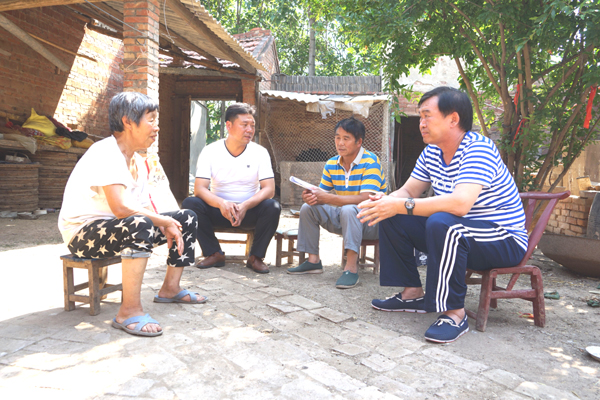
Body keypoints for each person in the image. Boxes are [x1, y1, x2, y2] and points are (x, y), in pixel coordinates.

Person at [357, 87, 527, 343]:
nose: (421, 124)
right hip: (460, 231)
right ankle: (412, 293)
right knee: (391, 214)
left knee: (443, 221)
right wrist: (384, 202)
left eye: (427, 116)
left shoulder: (478, 148)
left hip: (502, 238)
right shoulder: (432, 152)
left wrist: (401, 204)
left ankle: (454, 314)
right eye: (420, 117)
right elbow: (408, 190)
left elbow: (460, 204)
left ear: (453, 119)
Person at [58, 92, 206, 338]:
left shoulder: (137, 161)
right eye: (151, 120)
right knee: (140, 223)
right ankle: (128, 311)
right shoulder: (105, 152)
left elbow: (141, 207)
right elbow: (121, 209)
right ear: (128, 121)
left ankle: (170, 288)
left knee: (186, 217)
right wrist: (161, 221)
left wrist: (168, 221)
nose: (156, 127)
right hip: (83, 234)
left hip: (114, 228)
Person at [286, 117, 387, 289]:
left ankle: (351, 268)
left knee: (349, 209)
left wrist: (330, 199)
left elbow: (366, 198)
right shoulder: (332, 163)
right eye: (337, 137)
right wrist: (311, 197)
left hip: (372, 221)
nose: (340, 143)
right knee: (308, 208)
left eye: (346, 138)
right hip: (345, 218)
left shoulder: (371, 161)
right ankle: (313, 261)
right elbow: (322, 194)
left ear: (359, 142)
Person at [182, 103, 281, 274]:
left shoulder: (260, 152)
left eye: (252, 125)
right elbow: (199, 189)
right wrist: (222, 204)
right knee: (190, 203)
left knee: (272, 206)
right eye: (244, 125)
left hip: (249, 212)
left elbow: (269, 189)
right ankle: (214, 253)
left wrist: (245, 206)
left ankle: (256, 257)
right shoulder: (210, 151)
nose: (249, 130)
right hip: (218, 211)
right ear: (229, 125)